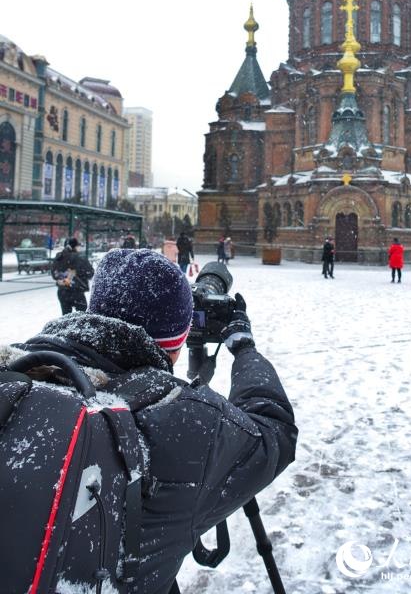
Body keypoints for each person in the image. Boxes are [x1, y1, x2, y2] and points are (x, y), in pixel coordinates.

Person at [12, 249, 297, 593]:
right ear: (176, 344)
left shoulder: (13, 374)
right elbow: (274, 431)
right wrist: (244, 347)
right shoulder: (186, 420)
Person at [51, 237, 94, 313]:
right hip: (77, 292)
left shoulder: (58, 257)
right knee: (82, 317)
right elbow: (90, 273)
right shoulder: (80, 257)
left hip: (62, 291)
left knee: (66, 317)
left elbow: (54, 275)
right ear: (74, 246)